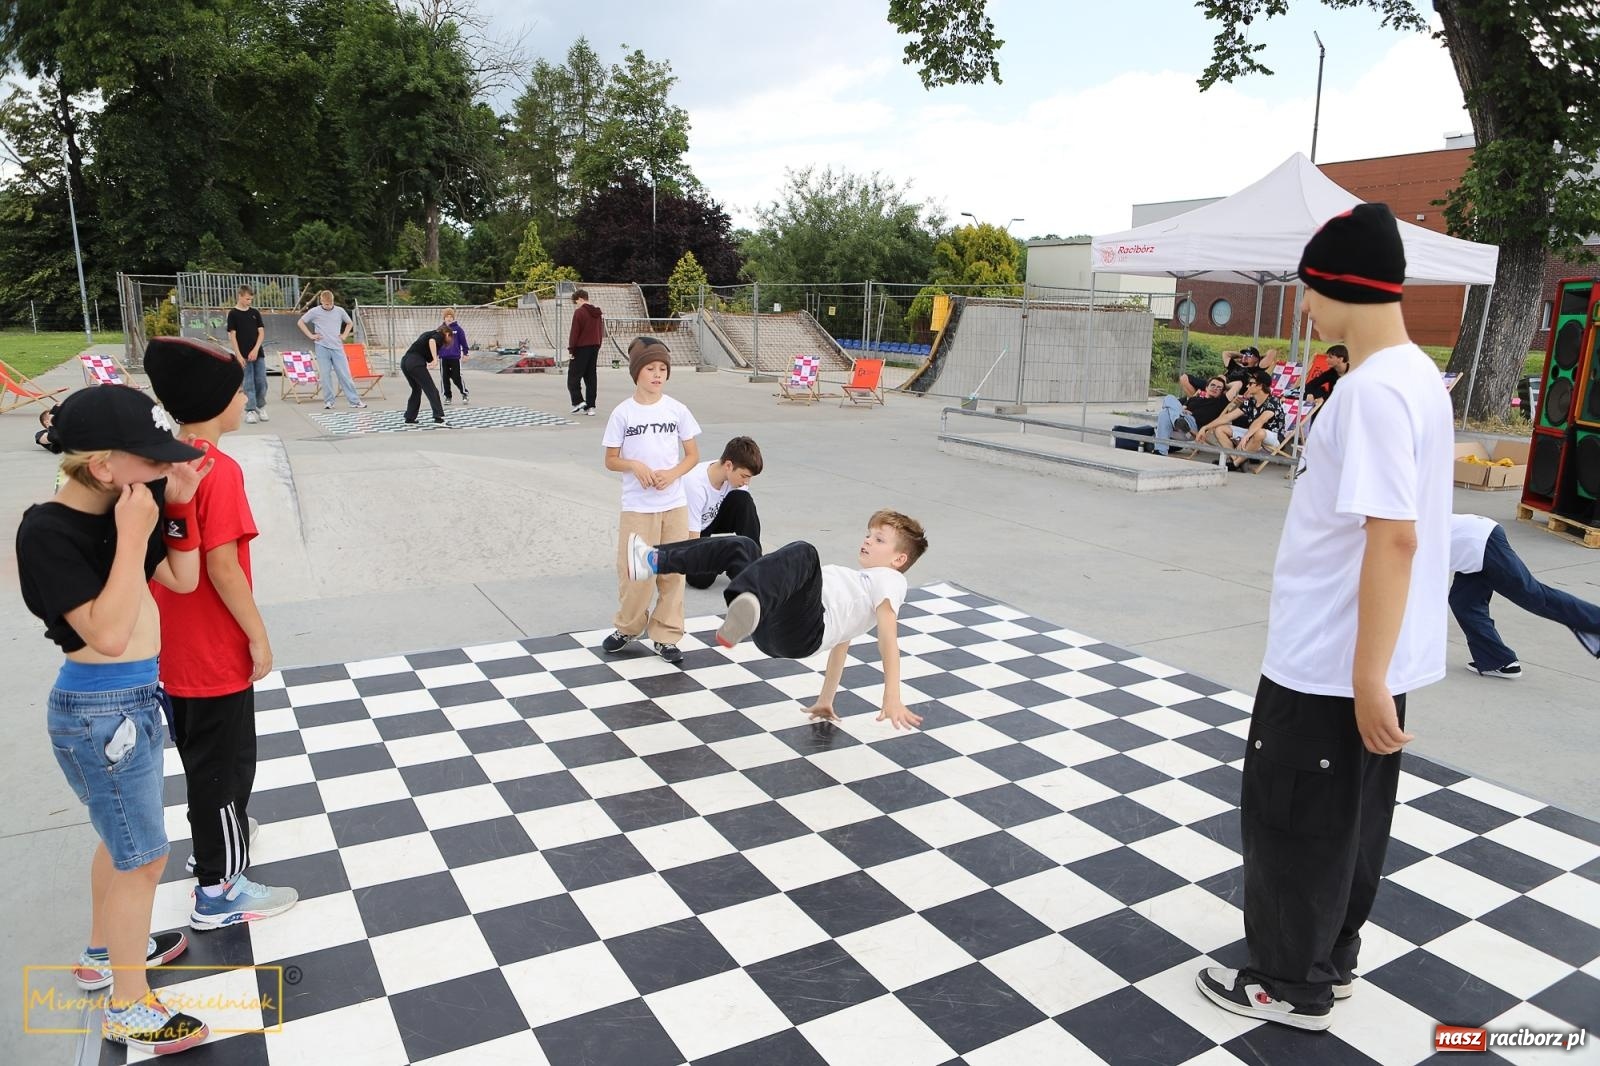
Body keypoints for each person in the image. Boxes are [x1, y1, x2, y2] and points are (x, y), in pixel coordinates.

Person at [1197, 204, 1455, 1032]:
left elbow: (1396, 539)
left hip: (1332, 659)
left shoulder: (1374, 392)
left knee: (1289, 818)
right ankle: (1328, 961)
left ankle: (1286, 981)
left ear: (1340, 285)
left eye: (1310, 287)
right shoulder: (1417, 376)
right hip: (1369, 658)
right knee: (1350, 819)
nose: (1306, 305)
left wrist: (1365, 675)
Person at [15, 384, 214, 1055]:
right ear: (103, 467)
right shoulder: (47, 530)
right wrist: (132, 538)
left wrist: (176, 506)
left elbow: (182, 581)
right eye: (152, 459)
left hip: (127, 703)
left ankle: (104, 955)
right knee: (145, 861)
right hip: (101, 708)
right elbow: (105, 631)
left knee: (120, 839)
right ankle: (129, 1007)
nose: (163, 467)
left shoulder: (128, 508)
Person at [144, 339, 298, 932]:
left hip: (174, 645)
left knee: (202, 759)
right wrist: (258, 636)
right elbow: (223, 566)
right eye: (239, 390)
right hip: (213, 647)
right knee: (227, 768)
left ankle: (216, 838)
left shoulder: (165, 458)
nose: (244, 397)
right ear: (218, 402)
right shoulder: (219, 468)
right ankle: (219, 885)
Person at [625, 509, 928, 729]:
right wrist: (826, 698)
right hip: (782, 630)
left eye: (879, 539)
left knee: (805, 554)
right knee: (742, 546)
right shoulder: (860, 589)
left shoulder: (889, 580)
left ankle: (750, 604)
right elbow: (841, 644)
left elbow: (889, 638)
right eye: (868, 535)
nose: (867, 541)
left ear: (898, 559)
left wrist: (892, 696)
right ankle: (652, 560)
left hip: (802, 629)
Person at [600, 337, 701, 664]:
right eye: (650, 368)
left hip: (674, 505)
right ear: (636, 373)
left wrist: (672, 474)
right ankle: (629, 627)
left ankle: (667, 635)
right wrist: (634, 465)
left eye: (662, 369)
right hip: (638, 508)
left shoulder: (677, 409)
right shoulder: (622, 414)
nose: (657, 375)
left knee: (673, 575)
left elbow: (692, 455)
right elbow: (611, 459)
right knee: (636, 573)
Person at [1448, 512, 1600, 678]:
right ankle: (1499, 661)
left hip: (1481, 542)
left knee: (1535, 596)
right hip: (1472, 547)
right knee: (1464, 602)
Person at [682, 436, 764, 588]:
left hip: (712, 518)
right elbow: (692, 541)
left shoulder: (735, 476)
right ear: (728, 465)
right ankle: (731, 555)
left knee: (743, 500)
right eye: (744, 476)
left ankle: (754, 563)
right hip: (690, 531)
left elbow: (744, 514)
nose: (746, 482)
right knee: (700, 580)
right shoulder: (695, 484)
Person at [296, 290, 366, 411]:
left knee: (345, 375)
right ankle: (329, 401)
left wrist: (344, 335)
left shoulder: (339, 311)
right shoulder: (315, 311)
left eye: (330, 303)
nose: (328, 306)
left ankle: (354, 400)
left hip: (337, 347)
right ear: (321, 301)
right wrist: (311, 335)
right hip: (322, 346)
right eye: (326, 304)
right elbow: (301, 322)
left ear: (333, 301)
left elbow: (349, 323)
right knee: (325, 375)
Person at [1155, 375, 1230, 455]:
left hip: (1190, 431)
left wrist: (1226, 384)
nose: (1215, 388)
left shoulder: (1220, 402)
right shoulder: (1194, 398)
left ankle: (1161, 449)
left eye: (1219, 388)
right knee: (1168, 402)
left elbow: (1238, 384)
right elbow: (1181, 408)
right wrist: (1183, 411)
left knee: (1166, 412)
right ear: (1206, 387)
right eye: (1213, 385)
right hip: (1177, 426)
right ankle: (1177, 421)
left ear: (1222, 392)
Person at [226, 285, 269, 424]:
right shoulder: (233, 314)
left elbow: (261, 332)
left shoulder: (255, 313)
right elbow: (232, 336)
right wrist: (238, 355)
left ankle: (260, 406)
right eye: (247, 299)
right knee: (248, 383)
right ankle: (250, 410)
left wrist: (256, 349)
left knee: (261, 381)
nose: (249, 302)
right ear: (240, 296)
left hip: (258, 353)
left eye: (251, 299)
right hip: (243, 354)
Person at [567, 288, 604, 415]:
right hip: (595, 346)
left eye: (576, 302)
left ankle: (578, 401)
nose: (576, 304)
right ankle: (591, 407)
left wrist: (571, 349)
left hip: (581, 347)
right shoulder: (598, 313)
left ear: (581, 299)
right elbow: (601, 330)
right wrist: (598, 344)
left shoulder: (579, 313)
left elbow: (575, 332)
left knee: (573, 376)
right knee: (590, 377)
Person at [400, 327, 447, 425]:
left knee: (416, 389)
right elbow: (432, 341)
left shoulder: (426, 333)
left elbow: (424, 348)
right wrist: (435, 359)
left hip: (405, 361)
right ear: (447, 333)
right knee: (431, 389)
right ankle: (438, 417)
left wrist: (434, 357)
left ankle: (410, 417)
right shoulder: (439, 334)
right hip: (415, 362)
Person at [438, 307, 469, 406]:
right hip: (443, 357)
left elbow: (463, 342)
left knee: (456, 376)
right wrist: (433, 357)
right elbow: (436, 343)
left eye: (451, 316)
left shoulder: (458, 329)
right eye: (447, 316)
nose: (449, 318)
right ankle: (447, 396)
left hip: (455, 357)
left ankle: (464, 393)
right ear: (444, 318)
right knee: (444, 377)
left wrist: (465, 353)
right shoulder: (440, 329)